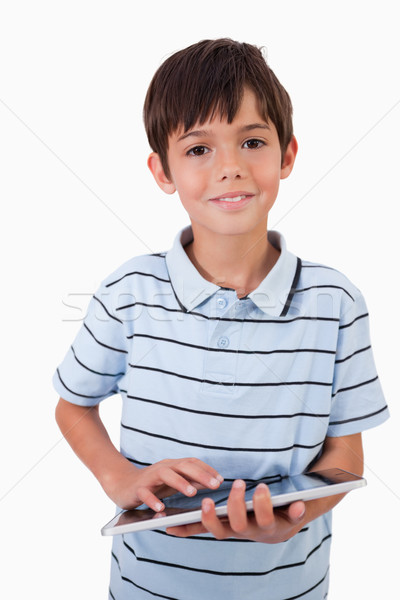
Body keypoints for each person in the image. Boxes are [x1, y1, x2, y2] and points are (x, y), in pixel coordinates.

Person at [53, 38, 389, 599]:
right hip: (147, 587)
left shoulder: (336, 302)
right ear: (162, 171)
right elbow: (73, 405)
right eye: (198, 149)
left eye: (252, 141)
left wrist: (301, 511)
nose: (230, 168)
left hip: (288, 588)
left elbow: (345, 457)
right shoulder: (129, 291)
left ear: (286, 155)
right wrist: (120, 478)